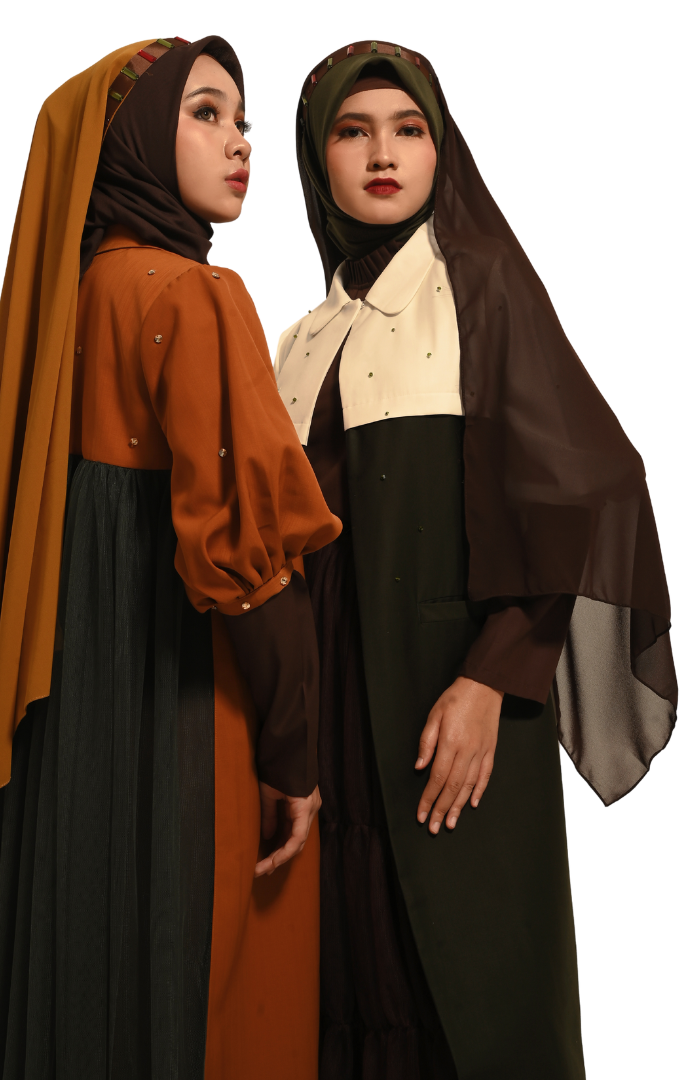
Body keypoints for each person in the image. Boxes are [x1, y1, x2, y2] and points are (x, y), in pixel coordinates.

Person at [0, 35, 339, 1080]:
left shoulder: (66, 307)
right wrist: (294, 755)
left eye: (242, 120)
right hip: (189, 719)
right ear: (132, 140)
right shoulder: (197, 298)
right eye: (203, 113)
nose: (239, 142)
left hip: (71, 735)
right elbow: (248, 564)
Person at [274, 39, 677, 1080]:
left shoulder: (479, 286)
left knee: (466, 982)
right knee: (340, 971)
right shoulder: (297, 340)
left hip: (448, 702)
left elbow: (584, 484)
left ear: (440, 149)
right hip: (326, 714)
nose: (383, 155)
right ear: (316, 155)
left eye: (409, 130)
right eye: (353, 132)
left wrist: (493, 679)